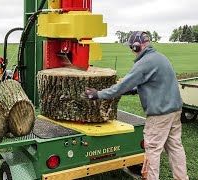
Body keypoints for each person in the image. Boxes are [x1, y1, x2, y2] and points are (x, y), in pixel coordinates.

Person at [81, 31, 189, 180]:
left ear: (138, 46)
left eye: (132, 47)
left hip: (159, 115)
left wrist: (98, 94)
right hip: (175, 111)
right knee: (175, 147)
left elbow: (122, 86)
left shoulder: (144, 63)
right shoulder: (160, 58)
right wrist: (134, 90)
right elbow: (156, 83)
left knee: (152, 151)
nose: (131, 50)